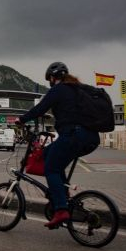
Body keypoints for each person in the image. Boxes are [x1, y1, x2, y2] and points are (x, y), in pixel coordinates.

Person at [15, 62, 100, 229]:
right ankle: (63, 193)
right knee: (49, 155)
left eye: (50, 79)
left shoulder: (59, 89)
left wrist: (21, 119)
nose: (50, 82)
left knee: (51, 169)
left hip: (73, 135)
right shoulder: (78, 89)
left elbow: (40, 108)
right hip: (91, 137)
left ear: (53, 78)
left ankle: (61, 210)